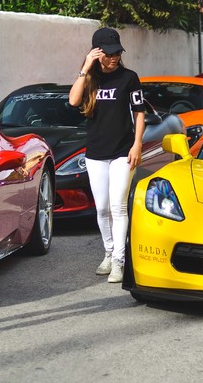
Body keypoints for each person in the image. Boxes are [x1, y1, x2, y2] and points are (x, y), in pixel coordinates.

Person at [68, 27, 145, 283]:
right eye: (109, 53)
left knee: (118, 206)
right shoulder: (89, 78)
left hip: (123, 151)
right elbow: (73, 101)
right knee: (101, 208)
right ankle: (109, 251)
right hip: (96, 153)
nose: (114, 58)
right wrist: (85, 68)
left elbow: (139, 112)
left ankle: (119, 261)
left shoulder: (129, 78)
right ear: (97, 53)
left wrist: (137, 145)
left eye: (117, 53)